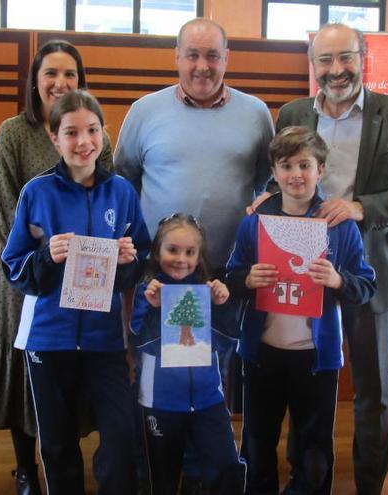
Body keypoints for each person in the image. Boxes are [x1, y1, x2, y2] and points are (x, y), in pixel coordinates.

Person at [272, 24, 388, 494]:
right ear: (313, 65)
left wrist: (360, 207)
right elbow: (281, 179)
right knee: (304, 383)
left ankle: (370, 485)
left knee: (373, 393)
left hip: (371, 266)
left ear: (364, 57)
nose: (336, 70)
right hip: (303, 268)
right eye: (324, 61)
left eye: (345, 57)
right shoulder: (293, 112)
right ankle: (306, 479)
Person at [114, 17, 274, 491]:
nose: (202, 66)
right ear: (176, 57)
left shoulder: (256, 112)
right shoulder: (145, 111)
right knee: (156, 378)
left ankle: (206, 477)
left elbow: (270, 180)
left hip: (224, 279)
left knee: (211, 381)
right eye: (193, 54)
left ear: (227, 59)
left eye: (213, 56)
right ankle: (159, 472)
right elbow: (124, 181)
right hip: (159, 278)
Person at [0, 90, 150, 495]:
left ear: (104, 134)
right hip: (49, 339)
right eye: (71, 132)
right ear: (54, 138)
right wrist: (46, 255)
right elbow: (14, 267)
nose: (83, 141)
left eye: (92, 130)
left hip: (104, 340)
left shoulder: (121, 192)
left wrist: (128, 260)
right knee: (58, 443)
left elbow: (140, 262)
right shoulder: (37, 192)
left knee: (120, 437)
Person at [0, 39, 113, 494]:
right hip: (26, 280)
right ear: (35, 81)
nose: (61, 83)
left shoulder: (95, 132)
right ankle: (25, 469)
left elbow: (106, 198)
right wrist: (46, 247)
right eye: (51, 74)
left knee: (70, 374)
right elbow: (6, 216)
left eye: (70, 75)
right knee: (26, 370)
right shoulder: (12, 133)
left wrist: (79, 245)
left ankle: (64, 463)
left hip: (85, 281)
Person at [228, 126, 377, 494]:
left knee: (313, 446)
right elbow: (230, 278)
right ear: (274, 173)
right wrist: (248, 279)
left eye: (304, 165)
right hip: (262, 354)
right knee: (258, 440)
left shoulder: (339, 227)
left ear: (320, 170)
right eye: (286, 166)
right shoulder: (255, 223)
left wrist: (338, 280)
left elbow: (366, 284)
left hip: (316, 358)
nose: (296, 174)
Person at [130, 213, 245, 495]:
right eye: (172, 250)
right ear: (157, 253)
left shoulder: (207, 292)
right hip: (161, 402)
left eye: (189, 252)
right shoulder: (146, 292)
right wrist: (154, 307)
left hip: (208, 399)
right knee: (161, 476)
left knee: (226, 466)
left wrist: (222, 305)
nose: (181, 259)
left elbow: (227, 342)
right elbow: (141, 343)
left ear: (199, 256)